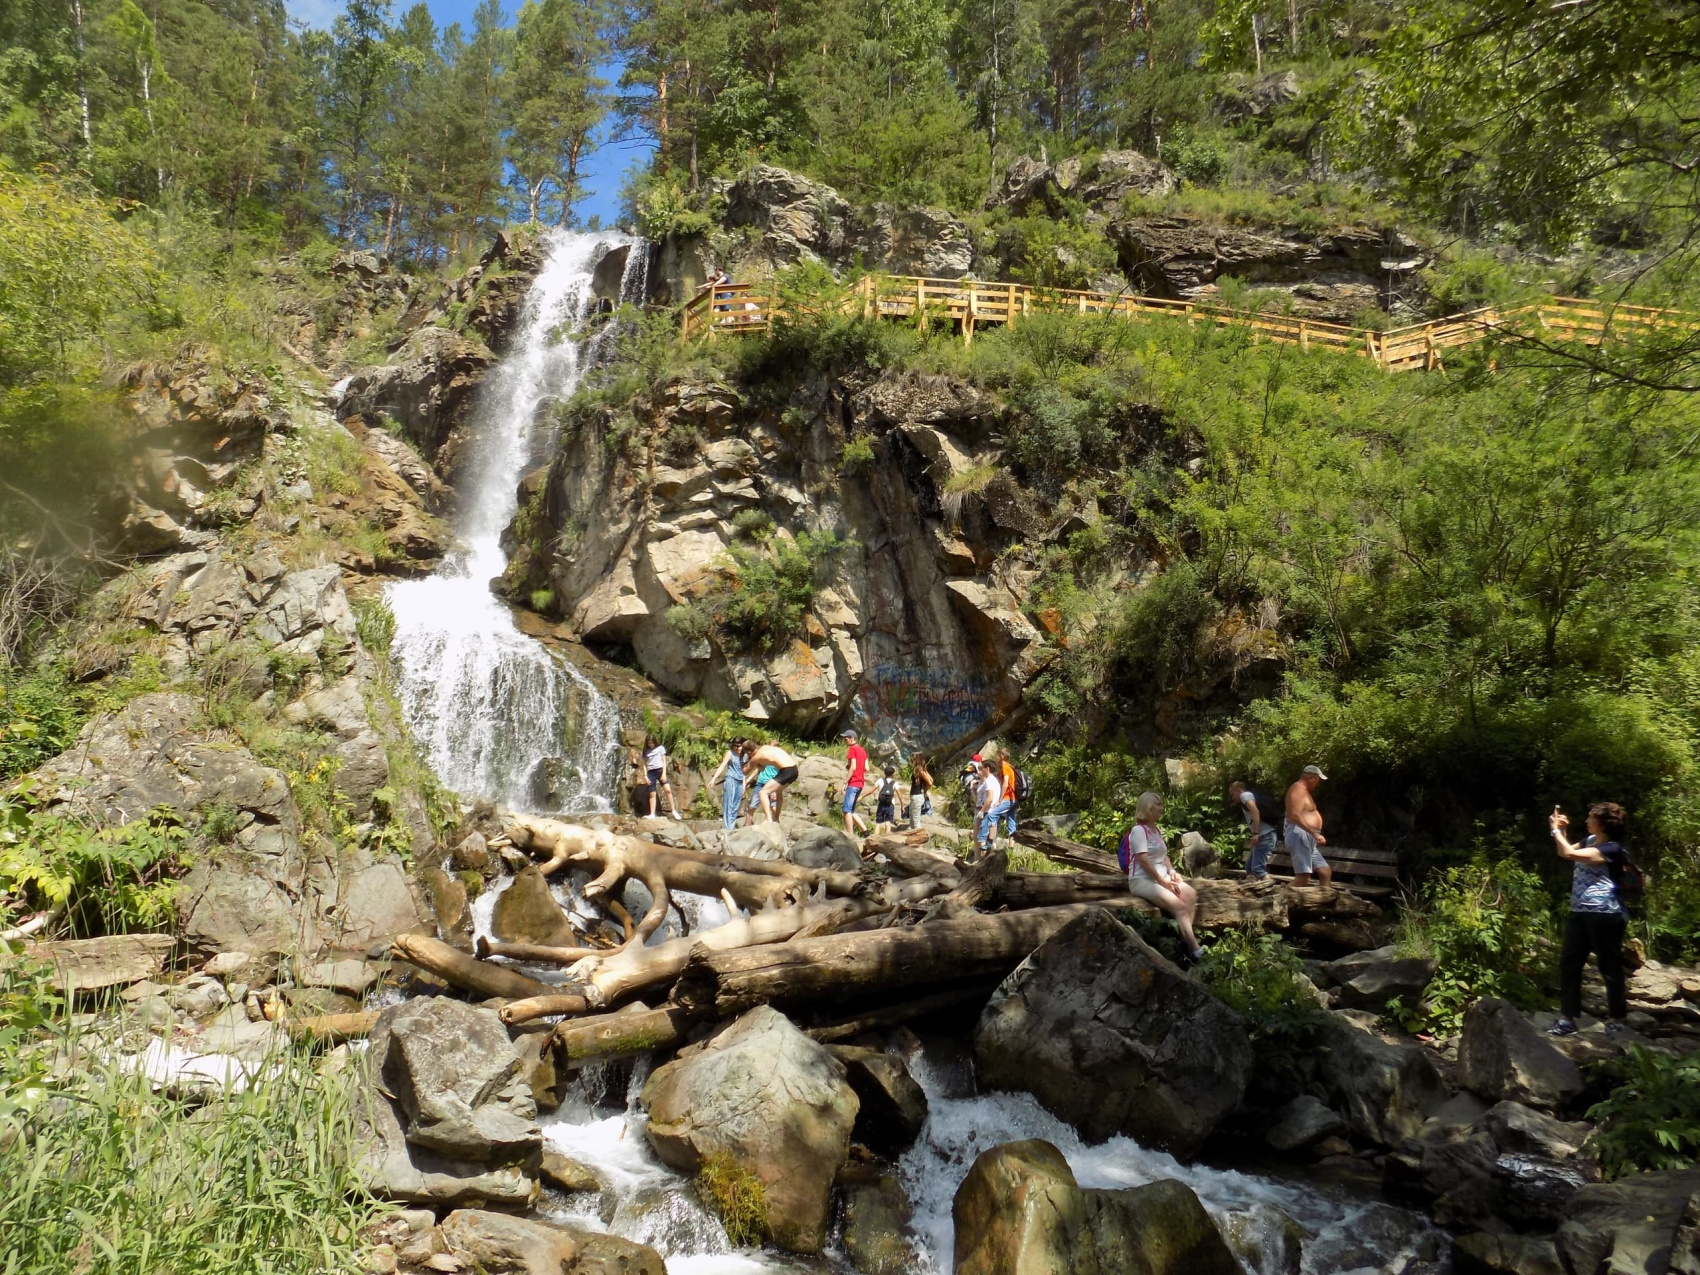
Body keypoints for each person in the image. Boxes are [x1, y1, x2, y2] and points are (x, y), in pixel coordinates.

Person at [1548, 802, 1631, 1037]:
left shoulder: (1612, 848)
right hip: (1579, 912)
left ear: (1603, 824)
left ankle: (1615, 1017)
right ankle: (1567, 1019)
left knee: (1609, 966)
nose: (1586, 821)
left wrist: (1555, 830)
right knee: (1569, 963)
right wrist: (1561, 832)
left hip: (1605, 913)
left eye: (1590, 817)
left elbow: (1571, 854)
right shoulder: (1589, 841)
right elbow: (1564, 852)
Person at [1125, 791, 1206, 964]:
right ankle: (1196, 952)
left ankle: (1184, 943)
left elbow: (1164, 856)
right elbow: (1143, 860)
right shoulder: (1138, 831)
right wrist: (1163, 882)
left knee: (1190, 894)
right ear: (1147, 808)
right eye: (1158, 805)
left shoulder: (1156, 830)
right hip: (1142, 880)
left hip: (1162, 877)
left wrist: (1172, 872)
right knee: (1179, 906)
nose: (1162, 808)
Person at [1283, 765, 1333, 886]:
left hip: (1307, 837)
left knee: (1325, 872)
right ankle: (1280, 900)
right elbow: (1294, 816)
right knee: (1303, 877)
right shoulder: (1298, 790)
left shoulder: (1303, 791)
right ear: (1311, 778)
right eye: (1317, 779)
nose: (1318, 783)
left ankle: (1324, 902)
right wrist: (1314, 833)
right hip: (1300, 834)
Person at [1229, 781, 1279, 879]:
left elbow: (1255, 812)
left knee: (1257, 869)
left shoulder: (1244, 795)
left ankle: (1269, 887)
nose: (1232, 797)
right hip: (1264, 836)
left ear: (1238, 790)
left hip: (1266, 836)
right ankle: (1255, 890)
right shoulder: (1247, 797)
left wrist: (1256, 834)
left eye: (1232, 794)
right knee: (1249, 868)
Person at [747, 742, 801, 822]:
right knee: (778, 792)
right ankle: (776, 819)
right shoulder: (772, 752)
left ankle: (768, 819)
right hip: (794, 770)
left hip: (786, 771)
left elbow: (746, 771)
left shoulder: (760, 755)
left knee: (763, 793)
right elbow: (762, 769)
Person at [709, 737, 749, 830]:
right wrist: (713, 779)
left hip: (739, 781)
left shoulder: (745, 756)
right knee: (729, 804)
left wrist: (744, 785)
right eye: (735, 746)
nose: (736, 748)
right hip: (730, 779)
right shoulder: (730, 753)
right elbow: (722, 766)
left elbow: (744, 772)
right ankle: (728, 828)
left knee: (736, 806)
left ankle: (731, 826)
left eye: (738, 746)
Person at [642, 733, 684, 820]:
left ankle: (673, 811)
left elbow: (664, 761)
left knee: (668, 790)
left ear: (655, 742)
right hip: (650, 772)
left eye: (652, 742)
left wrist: (664, 773)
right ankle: (652, 814)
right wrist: (645, 776)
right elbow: (644, 764)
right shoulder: (646, 751)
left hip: (660, 770)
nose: (650, 744)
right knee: (652, 793)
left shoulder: (660, 748)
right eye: (649, 743)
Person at [841, 729, 870, 836]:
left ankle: (850, 836)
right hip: (860, 783)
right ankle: (865, 831)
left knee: (846, 811)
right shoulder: (863, 750)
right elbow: (866, 768)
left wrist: (845, 783)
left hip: (853, 783)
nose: (845, 741)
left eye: (846, 738)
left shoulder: (852, 749)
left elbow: (853, 766)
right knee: (851, 810)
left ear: (852, 738)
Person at [973, 756, 1003, 851]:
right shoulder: (995, 780)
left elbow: (990, 798)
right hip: (994, 812)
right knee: (991, 841)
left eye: (982, 768)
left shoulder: (989, 781)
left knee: (983, 841)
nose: (980, 770)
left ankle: (982, 863)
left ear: (987, 769)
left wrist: (982, 811)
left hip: (988, 812)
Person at [997, 751, 1020, 839]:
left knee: (992, 814)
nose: (996, 759)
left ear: (1002, 756)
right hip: (1014, 798)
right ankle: (1011, 847)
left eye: (997, 756)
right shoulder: (1011, 767)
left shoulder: (1005, 767)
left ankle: (990, 844)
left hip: (1008, 798)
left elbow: (1005, 784)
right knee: (1011, 822)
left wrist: (1000, 799)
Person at [909, 754, 934, 826]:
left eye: (912, 759)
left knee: (915, 822)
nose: (911, 760)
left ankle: (918, 835)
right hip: (915, 796)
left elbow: (930, 782)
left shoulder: (920, 770)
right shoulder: (921, 769)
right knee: (912, 820)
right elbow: (931, 780)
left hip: (917, 796)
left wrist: (925, 789)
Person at [874, 764, 900, 832]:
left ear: (884, 773)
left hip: (881, 804)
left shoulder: (880, 780)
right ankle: (886, 839)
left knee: (878, 823)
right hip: (890, 805)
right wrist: (902, 806)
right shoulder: (895, 783)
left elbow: (871, 790)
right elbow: (900, 796)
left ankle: (875, 838)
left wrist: (862, 796)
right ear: (893, 774)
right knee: (888, 822)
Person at [627, 750, 651, 819]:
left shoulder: (645, 760)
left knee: (642, 796)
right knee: (639, 796)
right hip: (640, 782)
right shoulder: (640, 760)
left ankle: (646, 813)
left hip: (644, 782)